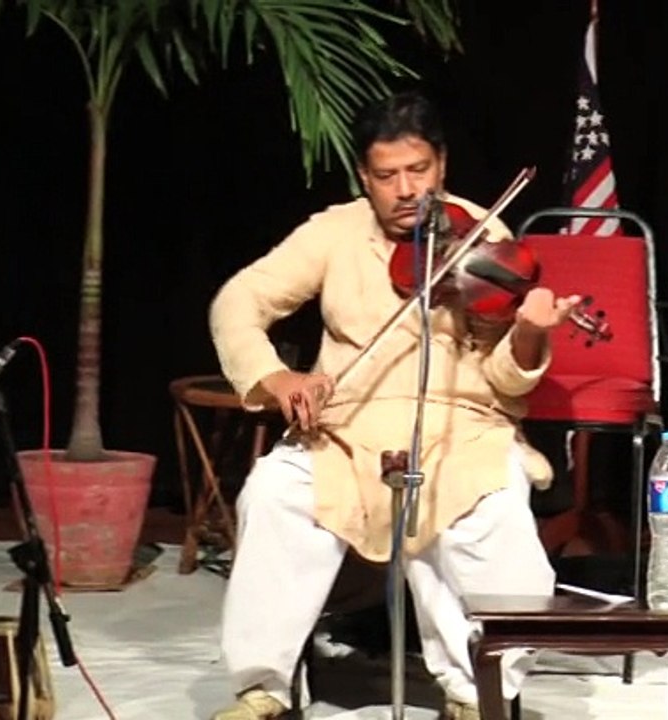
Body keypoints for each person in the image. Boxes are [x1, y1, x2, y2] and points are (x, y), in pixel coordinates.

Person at [208, 90, 576, 720]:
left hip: (462, 430)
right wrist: (276, 378)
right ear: (364, 176)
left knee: (495, 518)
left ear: (442, 165)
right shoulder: (333, 231)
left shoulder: (484, 237)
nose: (406, 190)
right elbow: (237, 304)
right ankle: (263, 687)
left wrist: (530, 334)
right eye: (387, 176)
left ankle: (477, 689)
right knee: (273, 492)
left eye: (419, 171)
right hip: (346, 431)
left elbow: (506, 383)